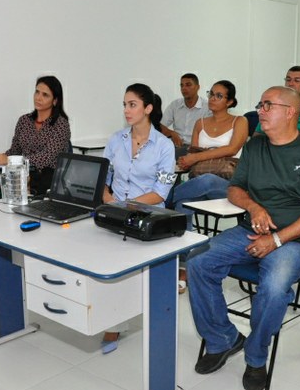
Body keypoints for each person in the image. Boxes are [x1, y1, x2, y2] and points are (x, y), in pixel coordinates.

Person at [188, 86, 300, 390]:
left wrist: (277, 240)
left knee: (275, 286)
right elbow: (235, 189)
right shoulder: (255, 146)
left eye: (269, 105)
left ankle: (255, 357)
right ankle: (223, 339)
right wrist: (254, 207)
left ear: (291, 112)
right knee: (198, 261)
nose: (261, 111)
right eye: (261, 104)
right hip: (249, 230)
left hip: (294, 239)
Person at [101, 83, 176, 353]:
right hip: (115, 210)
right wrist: (107, 196)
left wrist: (124, 204)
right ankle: (113, 323)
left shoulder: (165, 147)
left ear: (148, 108)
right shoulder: (116, 140)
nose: (126, 110)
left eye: (132, 104)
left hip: (147, 215)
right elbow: (103, 176)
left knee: (139, 273)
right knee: (110, 268)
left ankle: (150, 317)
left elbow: (161, 192)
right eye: (124, 104)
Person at [171, 80, 249, 231]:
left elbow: (232, 149)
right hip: (197, 183)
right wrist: (188, 159)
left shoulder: (240, 121)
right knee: (182, 203)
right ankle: (185, 249)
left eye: (219, 96)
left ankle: (163, 197)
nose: (212, 98)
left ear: (230, 101)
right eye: (211, 94)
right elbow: (193, 152)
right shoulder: (200, 123)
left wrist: (197, 157)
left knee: (208, 180)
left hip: (228, 185)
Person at [0, 76, 71, 195]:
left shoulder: (61, 124)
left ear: (55, 101)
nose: (38, 98)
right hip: (21, 177)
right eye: (37, 92)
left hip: (48, 179)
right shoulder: (24, 120)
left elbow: (46, 157)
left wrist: (9, 161)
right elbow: (15, 151)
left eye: (45, 95)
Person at [257, 66, 300, 142]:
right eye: (288, 80)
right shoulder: (271, 107)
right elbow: (256, 137)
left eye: (297, 80)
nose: (291, 84)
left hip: (298, 151)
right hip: (269, 149)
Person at [160, 73, 211, 157]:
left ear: (198, 87)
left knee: (165, 157)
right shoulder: (175, 105)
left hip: (196, 148)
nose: (184, 88)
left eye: (188, 85)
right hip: (176, 145)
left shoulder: (207, 107)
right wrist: (171, 133)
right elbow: (161, 126)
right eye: (182, 85)